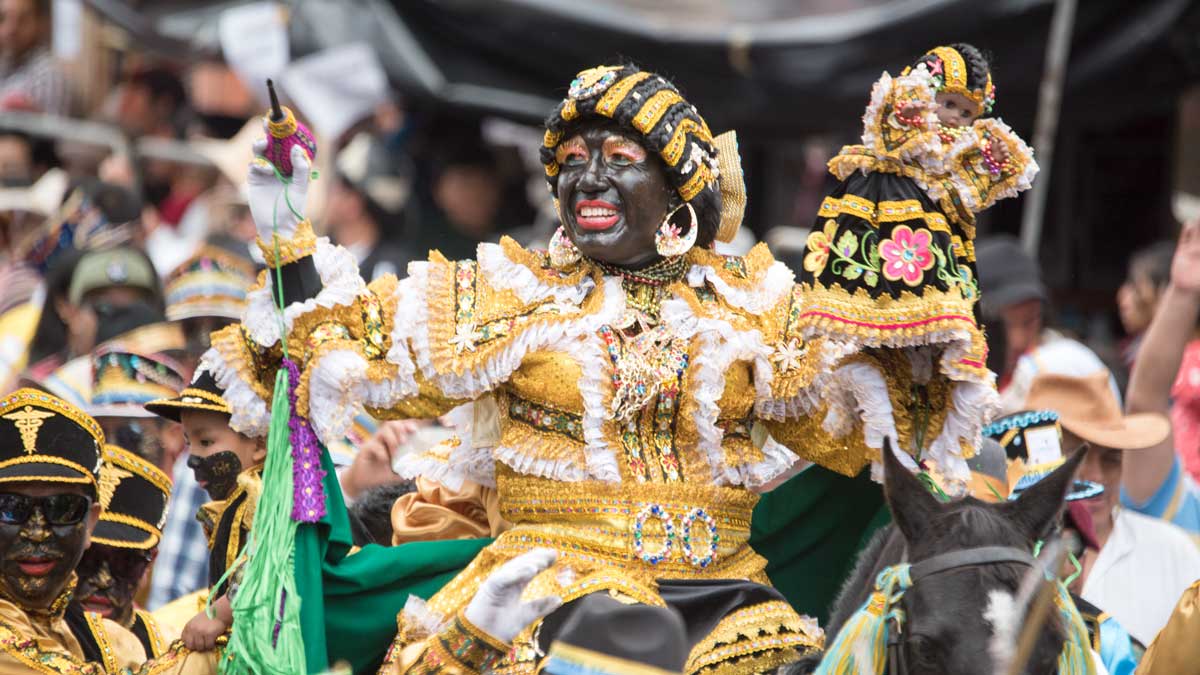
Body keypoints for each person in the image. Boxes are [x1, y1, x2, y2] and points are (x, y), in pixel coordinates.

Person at [206, 54, 1021, 672]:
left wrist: (912, 264)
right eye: (574, 158)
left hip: (728, 604)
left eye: (619, 156)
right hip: (547, 594)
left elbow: (856, 436)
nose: (589, 176)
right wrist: (286, 236)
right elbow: (332, 344)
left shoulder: (754, 305)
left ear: (676, 189)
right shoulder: (509, 289)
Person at [1025, 371, 1200, 645]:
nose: (1096, 475)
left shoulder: (1172, 552)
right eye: (1077, 458)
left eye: (1111, 459)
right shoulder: (1005, 556)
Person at [979, 411, 1141, 675]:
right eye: (1029, 527)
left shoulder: (1101, 635)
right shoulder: (943, 626)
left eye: (1056, 525)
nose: (1071, 563)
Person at [0, 389, 147, 668]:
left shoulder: (114, 643)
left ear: (91, 522)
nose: (36, 532)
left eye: (63, 508)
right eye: (10, 507)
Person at [144, 368, 265, 650]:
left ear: (258, 444)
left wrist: (221, 613)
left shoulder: (274, 501)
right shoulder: (230, 507)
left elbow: (278, 561)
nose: (192, 459)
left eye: (206, 442)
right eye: (189, 443)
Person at [975, 234, 1118, 413]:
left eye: (1029, 322)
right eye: (1002, 326)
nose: (1018, 340)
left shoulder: (1061, 366)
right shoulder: (957, 382)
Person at [1122, 223, 1200, 533]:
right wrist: (1183, 294)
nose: (1124, 298)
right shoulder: (1179, 510)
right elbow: (1146, 403)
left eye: (1136, 286)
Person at [72, 444, 177, 658]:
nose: (103, 580)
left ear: (150, 562)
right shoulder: (21, 638)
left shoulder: (167, 652)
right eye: (87, 559)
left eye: (125, 563)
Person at [326, 132, 414, 281]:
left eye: (338, 188)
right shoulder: (319, 261)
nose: (329, 194)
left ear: (353, 203)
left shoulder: (391, 272)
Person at [89, 344, 187, 472]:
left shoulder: (195, 489)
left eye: (128, 436)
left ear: (174, 434)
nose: (110, 452)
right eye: (100, 438)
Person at [0, 0, 70, 115]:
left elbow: (50, 131)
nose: (10, 29)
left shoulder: (49, 75)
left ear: (40, 23)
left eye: (22, 19)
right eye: (2, 18)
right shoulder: (5, 65)